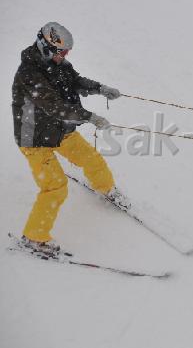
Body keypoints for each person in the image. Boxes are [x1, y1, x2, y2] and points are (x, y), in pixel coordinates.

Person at [12, 22, 126, 255]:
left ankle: (107, 190)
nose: (65, 56)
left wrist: (99, 88)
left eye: (66, 52)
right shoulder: (29, 74)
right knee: (55, 187)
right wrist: (89, 116)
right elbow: (54, 106)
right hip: (34, 139)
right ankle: (34, 239)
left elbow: (74, 80)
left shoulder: (58, 64)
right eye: (62, 52)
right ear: (46, 48)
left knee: (92, 159)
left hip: (60, 131)